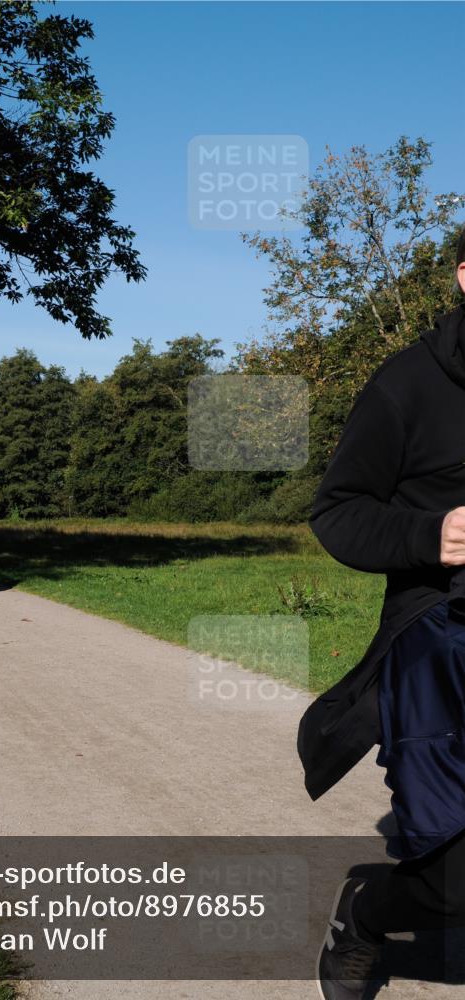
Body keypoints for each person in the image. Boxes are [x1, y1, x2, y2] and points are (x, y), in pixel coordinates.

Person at [301, 229, 465, 999]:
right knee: (455, 883)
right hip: (441, 648)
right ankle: (368, 909)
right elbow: (338, 512)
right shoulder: (408, 384)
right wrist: (430, 534)